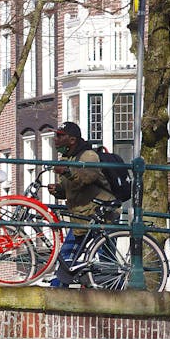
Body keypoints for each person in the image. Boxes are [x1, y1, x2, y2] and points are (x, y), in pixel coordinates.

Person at [45, 121, 114, 288]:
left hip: (100, 213)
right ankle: (57, 291)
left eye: (60, 136)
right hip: (81, 217)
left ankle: (116, 293)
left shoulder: (88, 156)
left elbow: (88, 177)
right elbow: (74, 187)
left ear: (72, 140)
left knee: (106, 260)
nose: (55, 139)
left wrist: (67, 172)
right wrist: (59, 190)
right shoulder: (67, 157)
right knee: (66, 258)